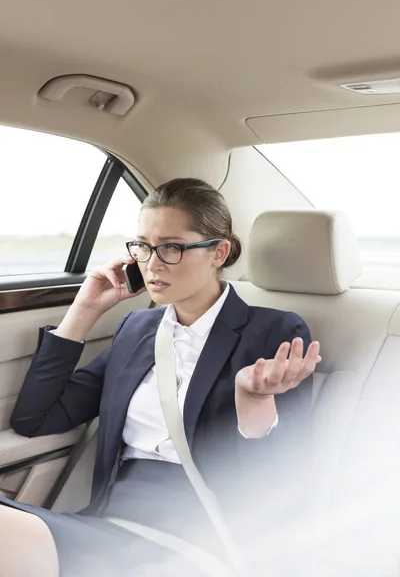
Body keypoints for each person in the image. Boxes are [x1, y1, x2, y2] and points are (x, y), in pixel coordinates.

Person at [0, 178, 320, 577]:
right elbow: (36, 419)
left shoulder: (274, 332)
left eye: (171, 247)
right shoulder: (138, 328)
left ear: (218, 252)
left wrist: (252, 401)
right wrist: (83, 310)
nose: (151, 263)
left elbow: (281, 477)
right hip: (108, 523)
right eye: (143, 246)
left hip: (200, 537)